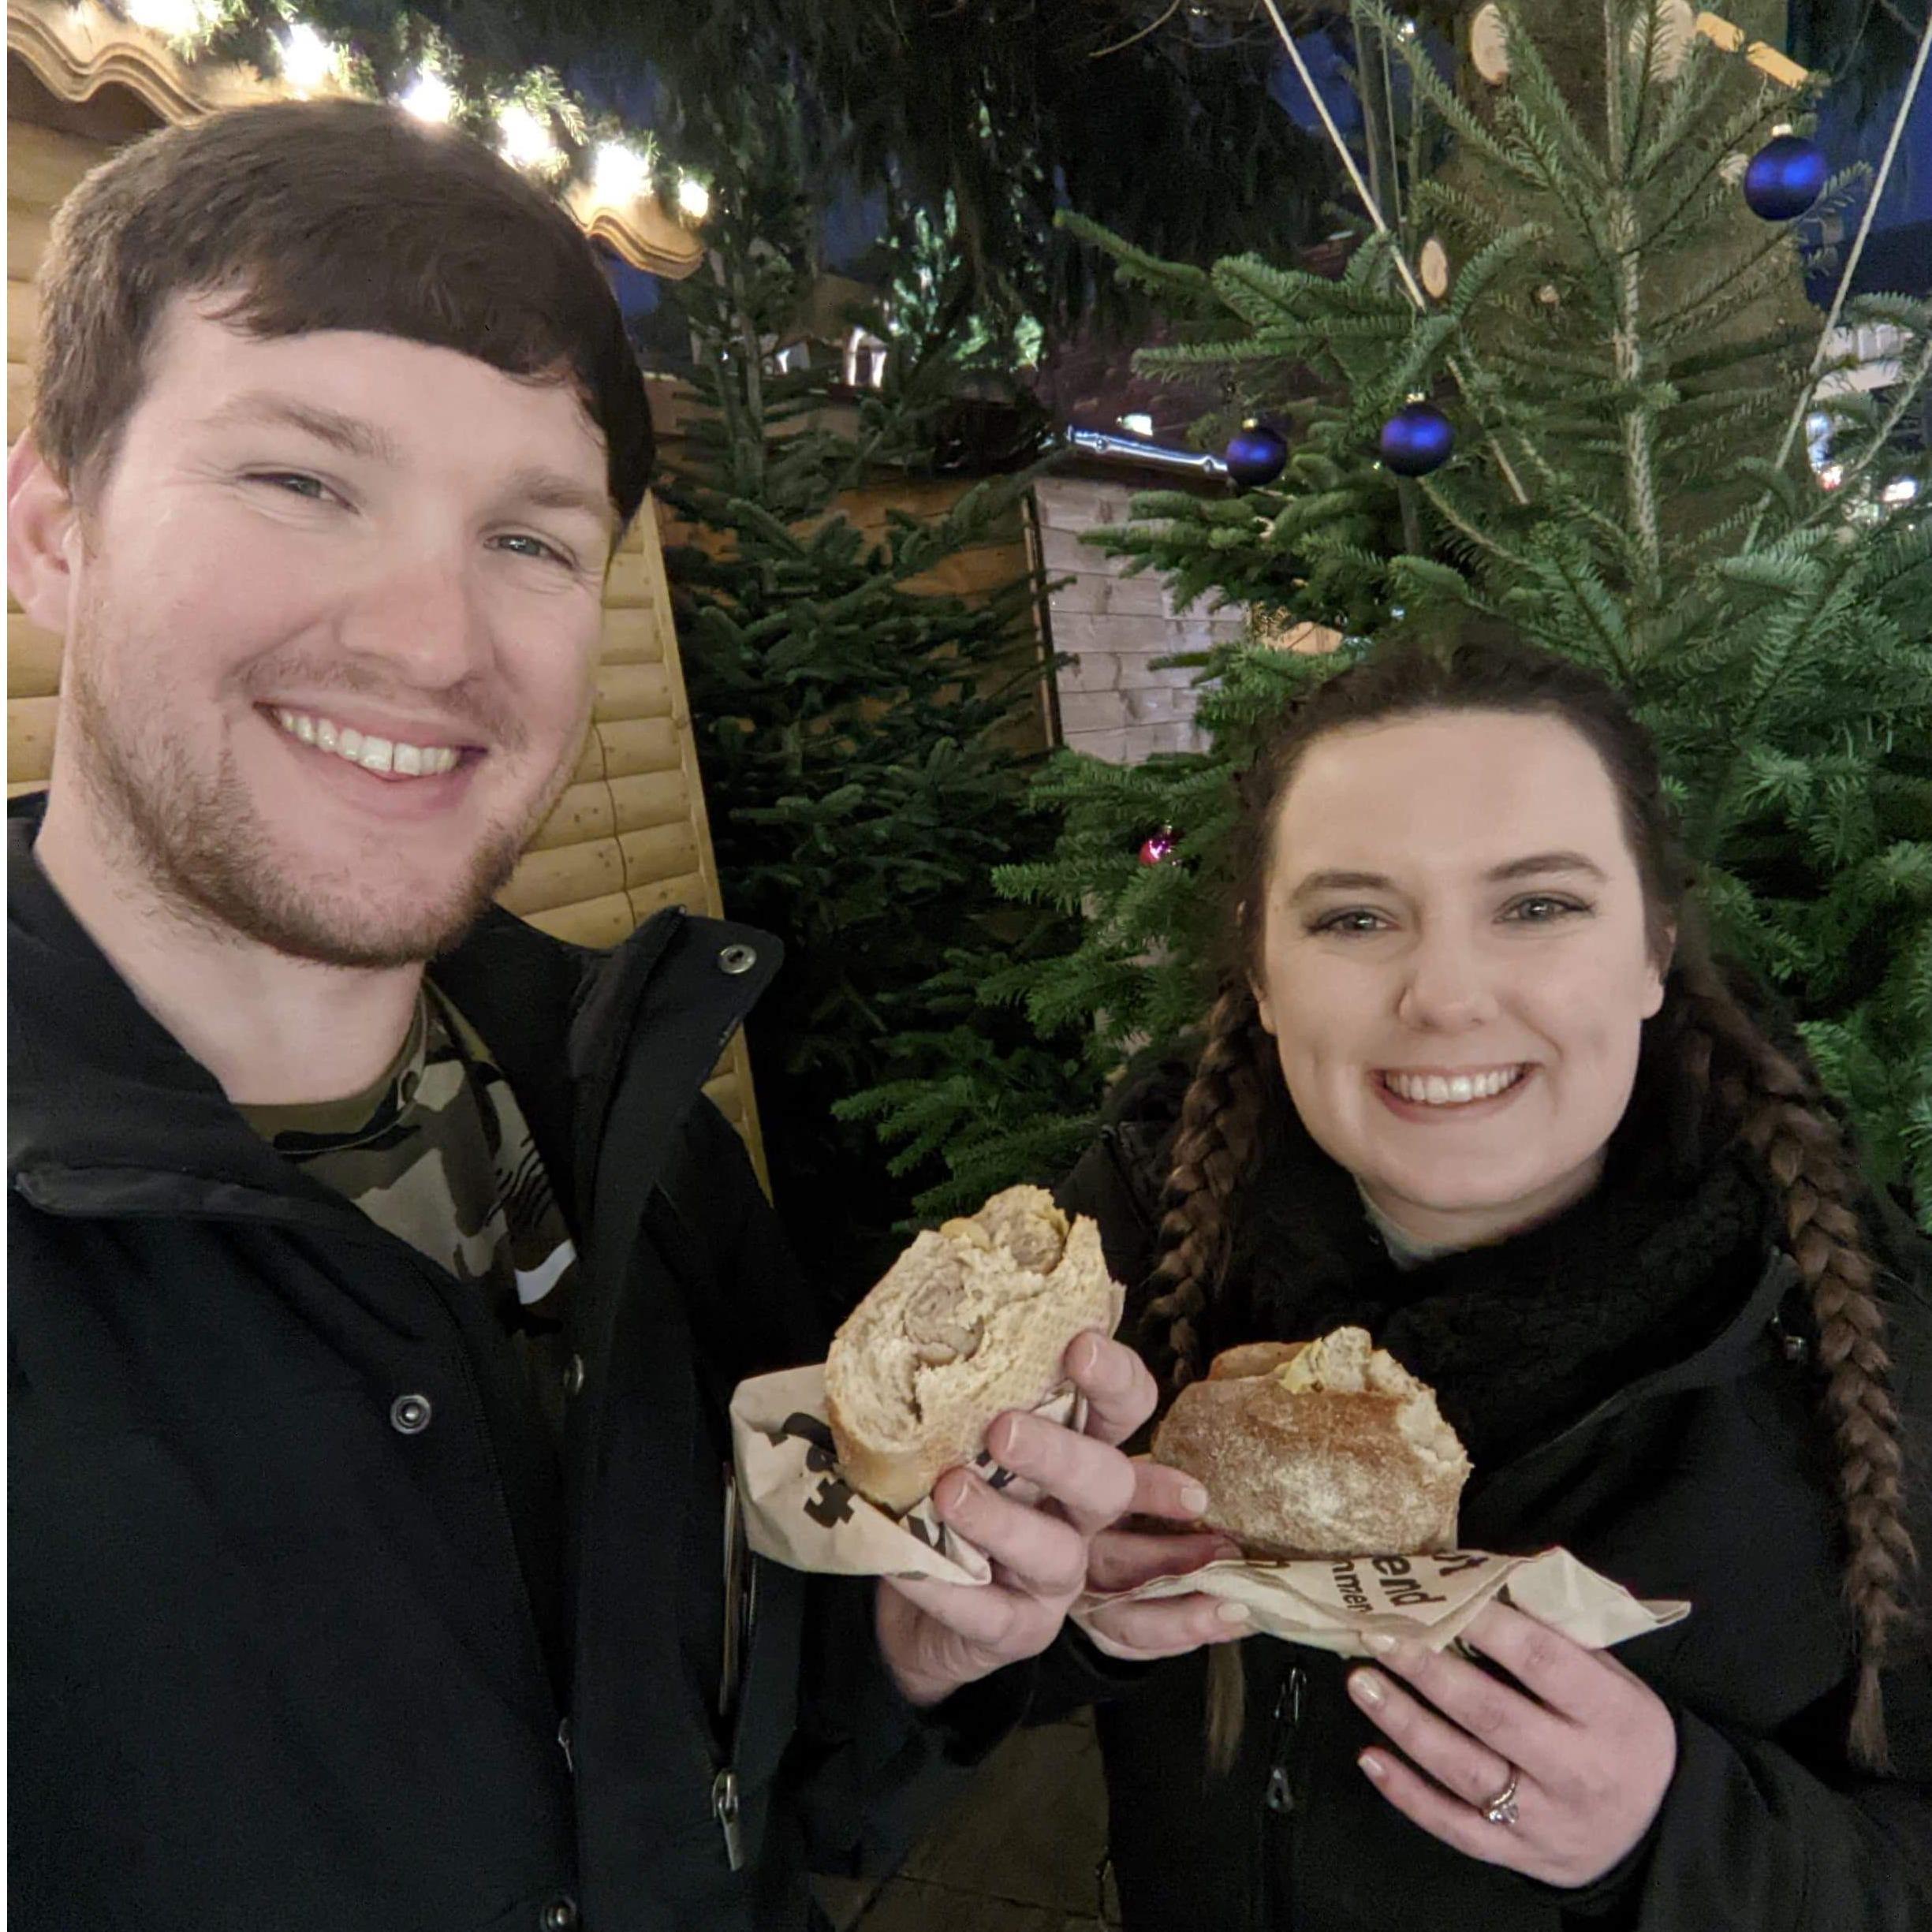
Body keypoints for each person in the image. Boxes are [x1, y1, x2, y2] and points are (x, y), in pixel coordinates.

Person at [6, 99, 1207, 1932]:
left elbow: (758, 1781)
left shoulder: (625, 1133)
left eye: (532, 539)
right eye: (302, 480)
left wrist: (919, 1644)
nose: (428, 640)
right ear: (50, 528)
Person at [1056, 630, 1932, 1928]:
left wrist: (1675, 1832)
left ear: (1651, 949)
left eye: (1536, 905)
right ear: (1261, 970)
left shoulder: (1866, 1341)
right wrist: (1045, 1617)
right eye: (1355, 917)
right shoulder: (1122, 1266)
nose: (1447, 996)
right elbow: (877, 1710)